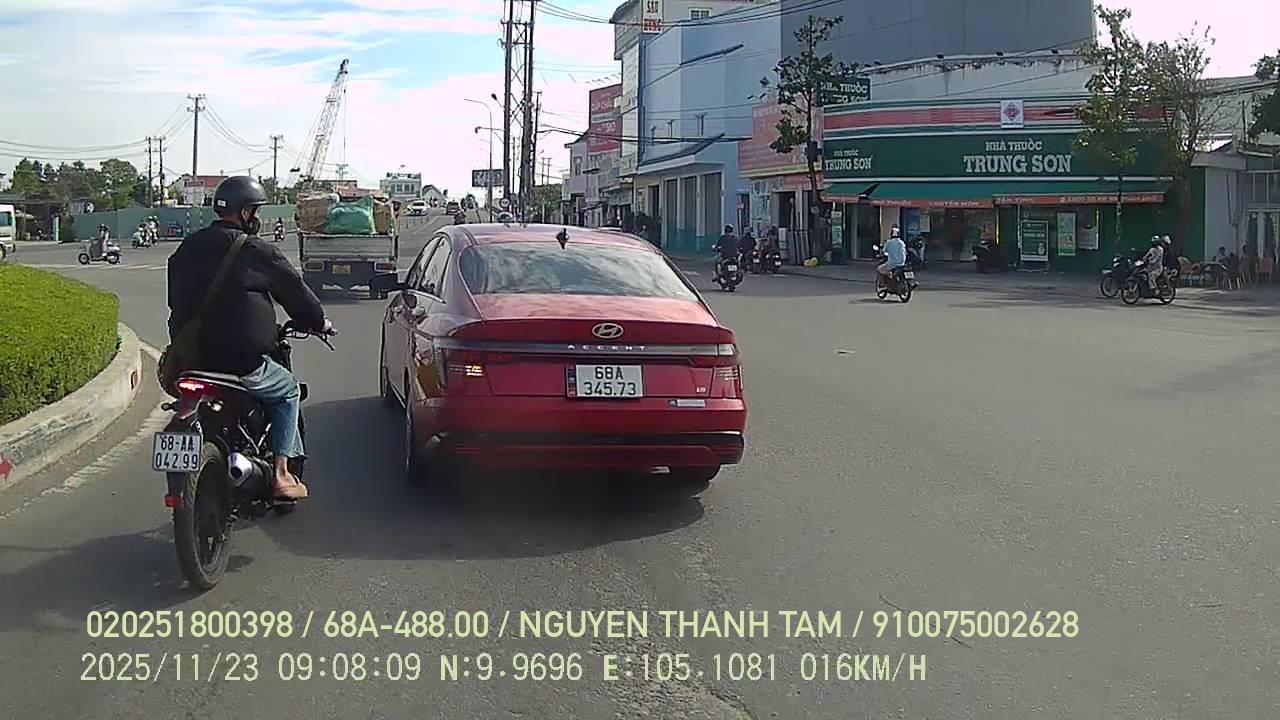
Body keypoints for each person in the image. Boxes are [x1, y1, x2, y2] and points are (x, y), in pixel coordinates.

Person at [166, 176, 330, 500]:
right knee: (288, 391)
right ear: (245, 213)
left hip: (191, 359)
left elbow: (175, 299)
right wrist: (318, 322)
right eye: (255, 210)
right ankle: (281, 475)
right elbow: (296, 294)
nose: (256, 217)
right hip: (241, 363)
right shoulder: (254, 249)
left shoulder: (188, 247)